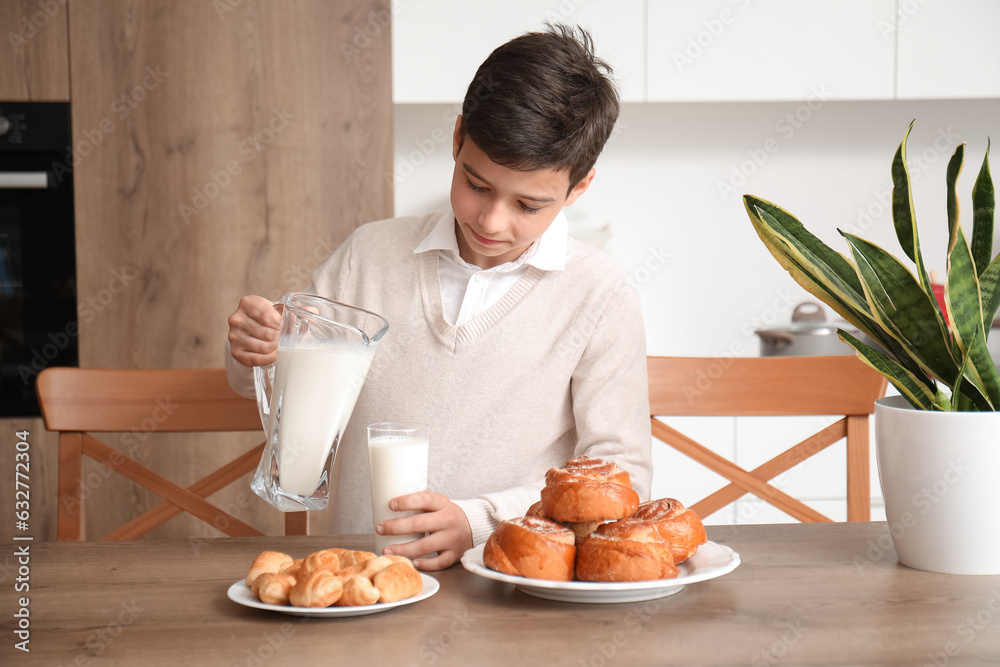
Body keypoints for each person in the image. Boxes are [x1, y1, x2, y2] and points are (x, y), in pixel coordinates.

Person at [226, 24, 651, 571]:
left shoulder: (600, 293)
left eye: (528, 205)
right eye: (476, 185)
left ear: (579, 188)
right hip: (364, 580)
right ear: (456, 140)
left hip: (508, 591)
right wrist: (255, 349)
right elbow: (276, 388)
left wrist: (480, 520)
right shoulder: (369, 255)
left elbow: (621, 476)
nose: (492, 221)